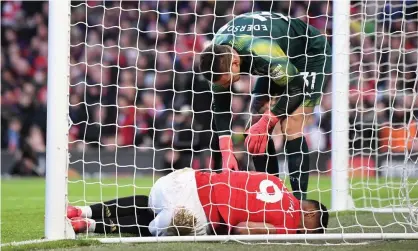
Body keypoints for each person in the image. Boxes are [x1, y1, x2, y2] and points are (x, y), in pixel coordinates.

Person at [199, 12, 332, 200]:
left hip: (307, 54)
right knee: (253, 126)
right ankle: (273, 198)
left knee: (291, 124)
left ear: (236, 63)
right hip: (279, 56)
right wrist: (227, 151)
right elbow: (220, 107)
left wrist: (268, 121)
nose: (225, 86)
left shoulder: (260, 50)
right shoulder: (217, 59)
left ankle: (299, 203)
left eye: (227, 81)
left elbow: (297, 88)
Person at [68, 168, 329, 236]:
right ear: (309, 216)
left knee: (149, 203)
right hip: (193, 215)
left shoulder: (276, 181)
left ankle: (82, 209)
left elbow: (233, 174)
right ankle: (88, 225)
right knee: (156, 223)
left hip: (183, 181)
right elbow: (243, 229)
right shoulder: (288, 224)